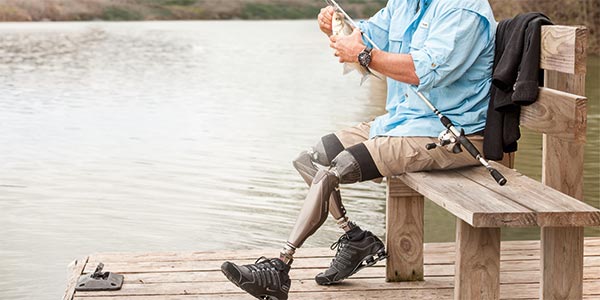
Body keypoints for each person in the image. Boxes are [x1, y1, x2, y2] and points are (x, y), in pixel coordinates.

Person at [221, 0, 496, 299]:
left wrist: (364, 55)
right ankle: (355, 238)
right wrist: (338, 29)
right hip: (401, 122)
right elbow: (364, 34)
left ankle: (280, 267)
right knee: (311, 159)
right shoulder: (404, 4)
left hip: (453, 135)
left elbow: (423, 71)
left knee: (337, 168)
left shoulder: (463, 9)